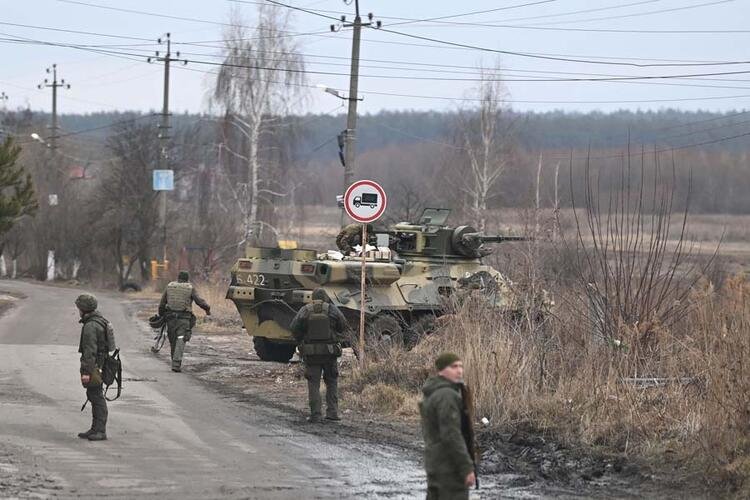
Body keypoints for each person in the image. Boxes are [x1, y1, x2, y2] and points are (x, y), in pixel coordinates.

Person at [420, 353, 477, 499]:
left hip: (436, 465)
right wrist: (466, 467)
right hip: (449, 469)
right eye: (454, 367)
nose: (459, 371)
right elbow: (451, 434)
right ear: (441, 370)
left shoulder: (433, 392)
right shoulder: (447, 396)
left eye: (460, 366)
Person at [289, 288, 348, 423]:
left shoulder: (305, 310)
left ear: (312, 298)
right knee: (332, 381)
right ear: (325, 298)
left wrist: (301, 340)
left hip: (312, 354)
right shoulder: (332, 309)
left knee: (313, 383)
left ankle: (316, 414)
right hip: (329, 353)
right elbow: (343, 325)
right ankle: (332, 412)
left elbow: (293, 327)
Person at [158, 270, 211, 372]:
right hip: (183, 319)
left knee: (173, 340)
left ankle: (174, 360)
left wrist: (161, 315)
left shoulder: (169, 286)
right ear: (187, 279)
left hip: (170, 318)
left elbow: (162, 303)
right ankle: (176, 364)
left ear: (178, 278)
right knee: (180, 339)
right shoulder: (189, 288)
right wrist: (207, 309)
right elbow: (199, 302)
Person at [76, 293, 109, 441]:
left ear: (84, 309)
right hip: (100, 364)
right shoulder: (99, 320)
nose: (78, 310)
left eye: (79, 307)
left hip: (94, 366)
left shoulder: (91, 326)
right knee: (94, 395)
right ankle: (95, 428)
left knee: (96, 397)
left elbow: (89, 352)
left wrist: (86, 372)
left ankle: (100, 430)